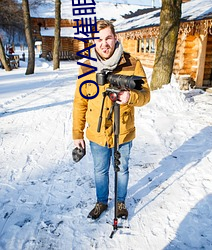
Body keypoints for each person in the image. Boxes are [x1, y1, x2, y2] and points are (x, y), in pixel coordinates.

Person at [72, 20, 150, 220]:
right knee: (100, 170)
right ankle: (101, 202)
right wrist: (77, 134)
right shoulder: (87, 67)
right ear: (93, 41)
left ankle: (121, 202)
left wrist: (130, 97)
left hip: (123, 130)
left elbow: (146, 95)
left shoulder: (132, 64)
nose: (104, 43)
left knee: (122, 168)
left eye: (108, 38)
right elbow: (80, 102)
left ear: (115, 38)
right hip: (97, 133)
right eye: (99, 39)